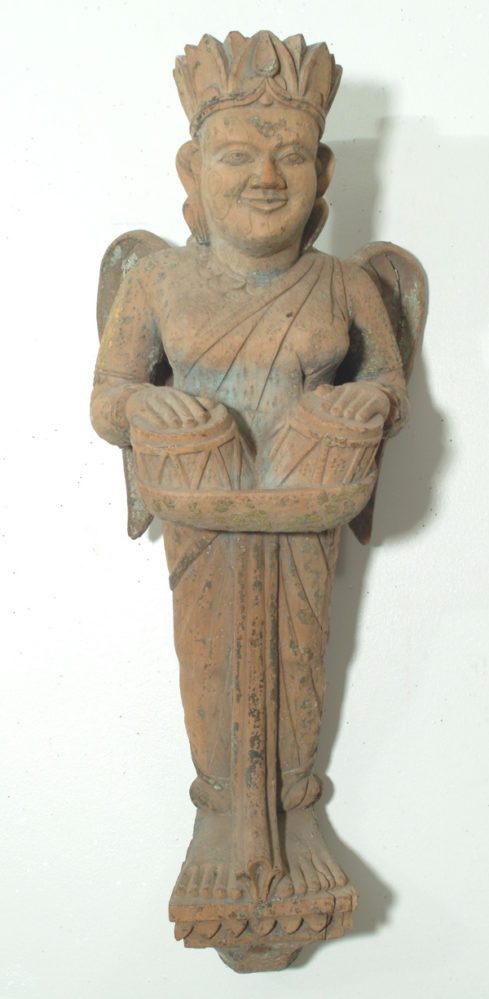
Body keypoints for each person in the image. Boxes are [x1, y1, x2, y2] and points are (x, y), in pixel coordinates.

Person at [91, 31, 410, 907]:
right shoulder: (157, 280)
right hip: (202, 506)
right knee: (206, 661)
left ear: (322, 172)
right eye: (236, 155)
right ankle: (222, 809)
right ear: (192, 169)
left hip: (308, 496)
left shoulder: (344, 284)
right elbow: (108, 395)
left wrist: (367, 403)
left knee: (301, 653)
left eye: (290, 156)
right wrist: (146, 408)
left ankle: (294, 808)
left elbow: (389, 383)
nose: (265, 177)